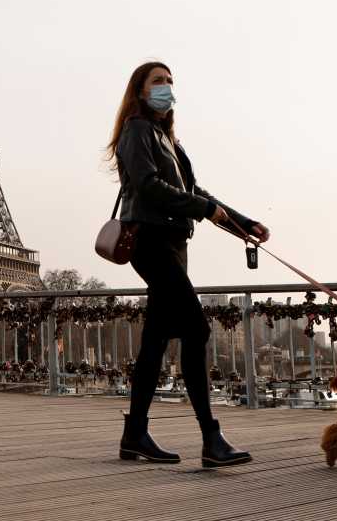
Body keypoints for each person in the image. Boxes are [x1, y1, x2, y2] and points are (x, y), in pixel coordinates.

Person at [107, 61, 269, 468]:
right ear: (140, 91)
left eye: (170, 82)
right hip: (150, 241)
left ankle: (135, 434)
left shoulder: (170, 141)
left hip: (173, 243)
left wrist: (241, 223)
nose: (166, 88)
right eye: (158, 81)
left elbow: (195, 192)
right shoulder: (137, 130)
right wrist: (205, 209)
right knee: (195, 328)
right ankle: (211, 438)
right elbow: (148, 187)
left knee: (155, 340)